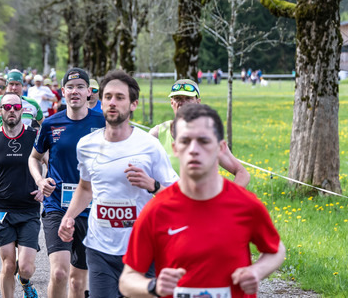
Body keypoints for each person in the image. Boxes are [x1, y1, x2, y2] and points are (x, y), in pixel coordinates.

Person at [120, 103, 285, 298]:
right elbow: (127, 280)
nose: (194, 149)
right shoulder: (157, 209)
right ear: (175, 148)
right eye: (186, 141)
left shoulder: (246, 204)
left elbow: (276, 249)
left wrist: (257, 271)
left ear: (221, 147)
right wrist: (153, 286)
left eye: (204, 141)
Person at [59, 70, 178, 298]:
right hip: (99, 248)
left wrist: (153, 185)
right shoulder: (86, 145)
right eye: (108, 97)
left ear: (133, 104)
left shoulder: (149, 146)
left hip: (141, 249)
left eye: (120, 97)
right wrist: (69, 216)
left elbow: (177, 196)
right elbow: (86, 187)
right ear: (100, 101)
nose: (113, 103)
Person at [30, 68, 105, 298]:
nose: (75, 91)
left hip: (90, 208)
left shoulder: (102, 122)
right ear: (63, 92)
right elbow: (34, 157)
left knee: (77, 279)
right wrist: (40, 179)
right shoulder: (51, 124)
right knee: (60, 273)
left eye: (80, 87)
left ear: (89, 92)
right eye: (70, 87)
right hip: (57, 206)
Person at [0, 93, 44, 298]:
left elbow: (50, 164)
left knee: (25, 267)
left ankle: (24, 280)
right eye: (7, 107)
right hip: (1, 208)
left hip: (29, 207)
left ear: (22, 110)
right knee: (8, 265)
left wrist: (45, 187)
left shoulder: (34, 136)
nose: (12, 111)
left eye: (16, 107)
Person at [149, 79, 250, 187]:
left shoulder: (210, 136)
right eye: (178, 98)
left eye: (188, 98)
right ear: (171, 102)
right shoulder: (157, 134)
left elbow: (242, 174)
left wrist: (227, 201)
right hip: (167, 202)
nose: (182, 103)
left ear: (198, 102)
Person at [0, 70, 44, 140]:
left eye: (17, 84)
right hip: (0, 149)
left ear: (22, 85)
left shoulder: (32, 104)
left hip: (26, 149)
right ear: (7, 85)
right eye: (11, 84)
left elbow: (46, 127)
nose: (14, 88)